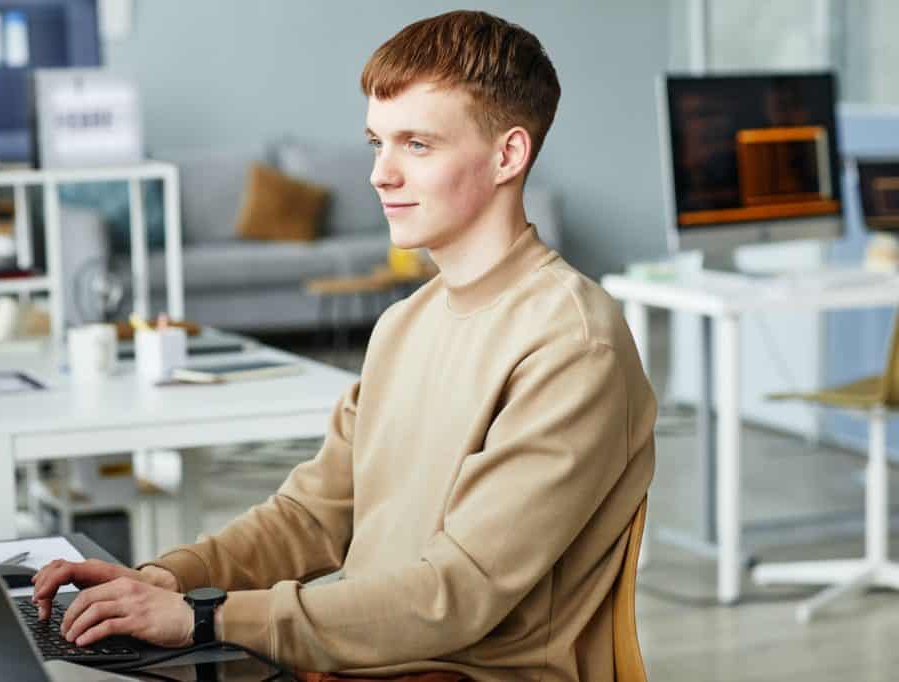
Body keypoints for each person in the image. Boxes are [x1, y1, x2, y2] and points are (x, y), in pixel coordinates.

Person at [32, 10, 656, 681]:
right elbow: (313, 516)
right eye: (376, 143)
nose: (380, 175)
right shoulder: (404, 324)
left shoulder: (571, 345)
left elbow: (458, 595)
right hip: (359, 660)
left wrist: (208, 617)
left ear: (508, 155)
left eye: (417, 145)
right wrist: (164, 579)